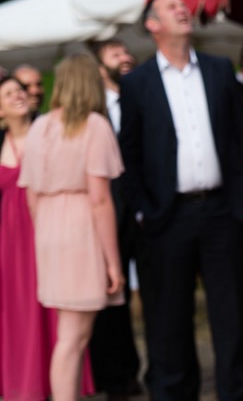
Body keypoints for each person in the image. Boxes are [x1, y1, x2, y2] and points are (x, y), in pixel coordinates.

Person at [119, 0, 243, 400]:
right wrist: (145, 210)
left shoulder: (218, 69)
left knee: (233, 316)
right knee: (167, 320)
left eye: (184, 6)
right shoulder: (136, 82)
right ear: (152, 24)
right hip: (167, 217)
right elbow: (130, 153)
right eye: (171, 7)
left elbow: (238, 138)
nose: (183, 10)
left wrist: (241, 201)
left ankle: (237, 393)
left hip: (222, 212)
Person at [19, 53, 124, 400]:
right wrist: (112, 261)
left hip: (49, 229)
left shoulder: (40, 126)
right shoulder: (94, 125)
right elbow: (99, 199)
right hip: (81, 232)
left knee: (70, 336)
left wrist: (47, 235)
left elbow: (31, 195)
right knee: (74, 338)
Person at [0, 75, 95, 400]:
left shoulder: (50, 133)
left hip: (52, 234)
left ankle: (62, 388)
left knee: (59, 313)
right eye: (9, 93)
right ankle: (23, 387)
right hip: (12, 245)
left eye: (20, 91)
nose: (18, 96)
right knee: (19, 312)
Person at [87, 39, 142, 400]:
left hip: (151, 210)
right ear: (99, 67)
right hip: (111, 211)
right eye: (114, 54)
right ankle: (116, 376)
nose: (124, 57)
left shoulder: (143, 97)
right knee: (112, 294)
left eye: (125, 52)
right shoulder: (94, 111)